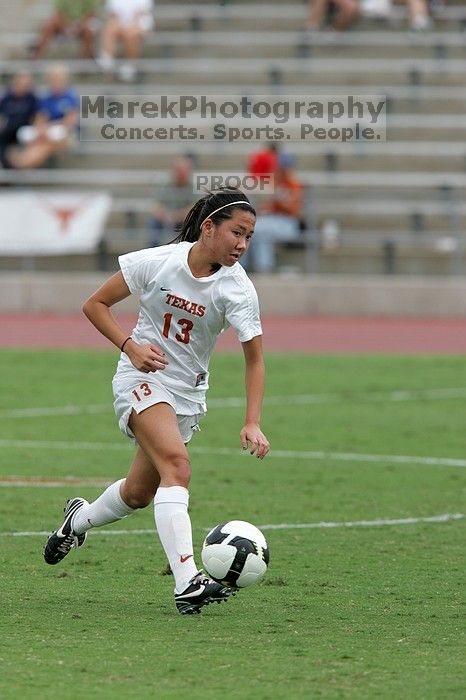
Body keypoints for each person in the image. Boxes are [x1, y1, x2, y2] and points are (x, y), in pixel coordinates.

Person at [43, 188, 270, 615]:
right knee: (178, 467)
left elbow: (255, 361)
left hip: (187, 395)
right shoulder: (157, 262)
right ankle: (187, 582)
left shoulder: (237, 289)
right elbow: (95, 305)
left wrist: (252, 421)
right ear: (208, 228)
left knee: (138, 493)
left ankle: (78, 520)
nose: (242, 244)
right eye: (236, 232)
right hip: (139, 379)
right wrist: (130, 347)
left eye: (250, 236)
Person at [241, 152, 305, 273]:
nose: (280, 171)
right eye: (279, 167)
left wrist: (280, 199)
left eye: (284, 168)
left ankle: (263, 268)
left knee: (258, 229)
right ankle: (247, 267)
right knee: (254, 229)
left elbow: (295, 210)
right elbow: (266, 207)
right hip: (273, 220)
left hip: (289, 224)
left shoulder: (294, 184)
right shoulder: (274, 183)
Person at [8, 64, 79, 170]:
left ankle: (22, 162)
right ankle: (26, 163)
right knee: (34, 136)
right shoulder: (46, 99)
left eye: (58, 79)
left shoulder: (71, 97)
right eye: (53, 80)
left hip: (66, 135)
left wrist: (48, 128)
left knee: (52, 138)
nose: (55, 83)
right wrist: (42, 129)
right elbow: (40, 119)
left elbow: (70, 122)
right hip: (48, 134)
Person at [97, 0, 154, 81]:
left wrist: (128, 26)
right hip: (120, 24)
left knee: (131, 34)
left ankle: (129, 67)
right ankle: (107, 64)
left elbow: (140, 13)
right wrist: (121, 25)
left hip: (139, 24)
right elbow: (113, 14)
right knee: (109, 29)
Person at [148, 155, 196, 247]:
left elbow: (195, 207)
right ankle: (152, 251)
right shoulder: (165, 185)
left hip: (184, 220)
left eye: (183, 172)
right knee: (153, 223)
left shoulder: (193, 187)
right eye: (178, 171)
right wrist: (165, 215)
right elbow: (156, 205)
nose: (180, 174)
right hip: (166, 218)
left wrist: (176, 216)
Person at [33, 0, 99, 59]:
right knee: (48, 26)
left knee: (89, 32)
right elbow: (58, 13)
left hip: (80, 26)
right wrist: (66, 26)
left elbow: (90, 13)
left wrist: (78, 26)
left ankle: (85, 61)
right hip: (63, 25)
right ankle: (37, 57)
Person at [0, 71, 38, 169]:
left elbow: (36, 118)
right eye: (20, 83)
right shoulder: (7, 98)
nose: (22, 86)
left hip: (23, 133)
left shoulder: (32, 99)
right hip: (7, 133)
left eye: (25, 84)